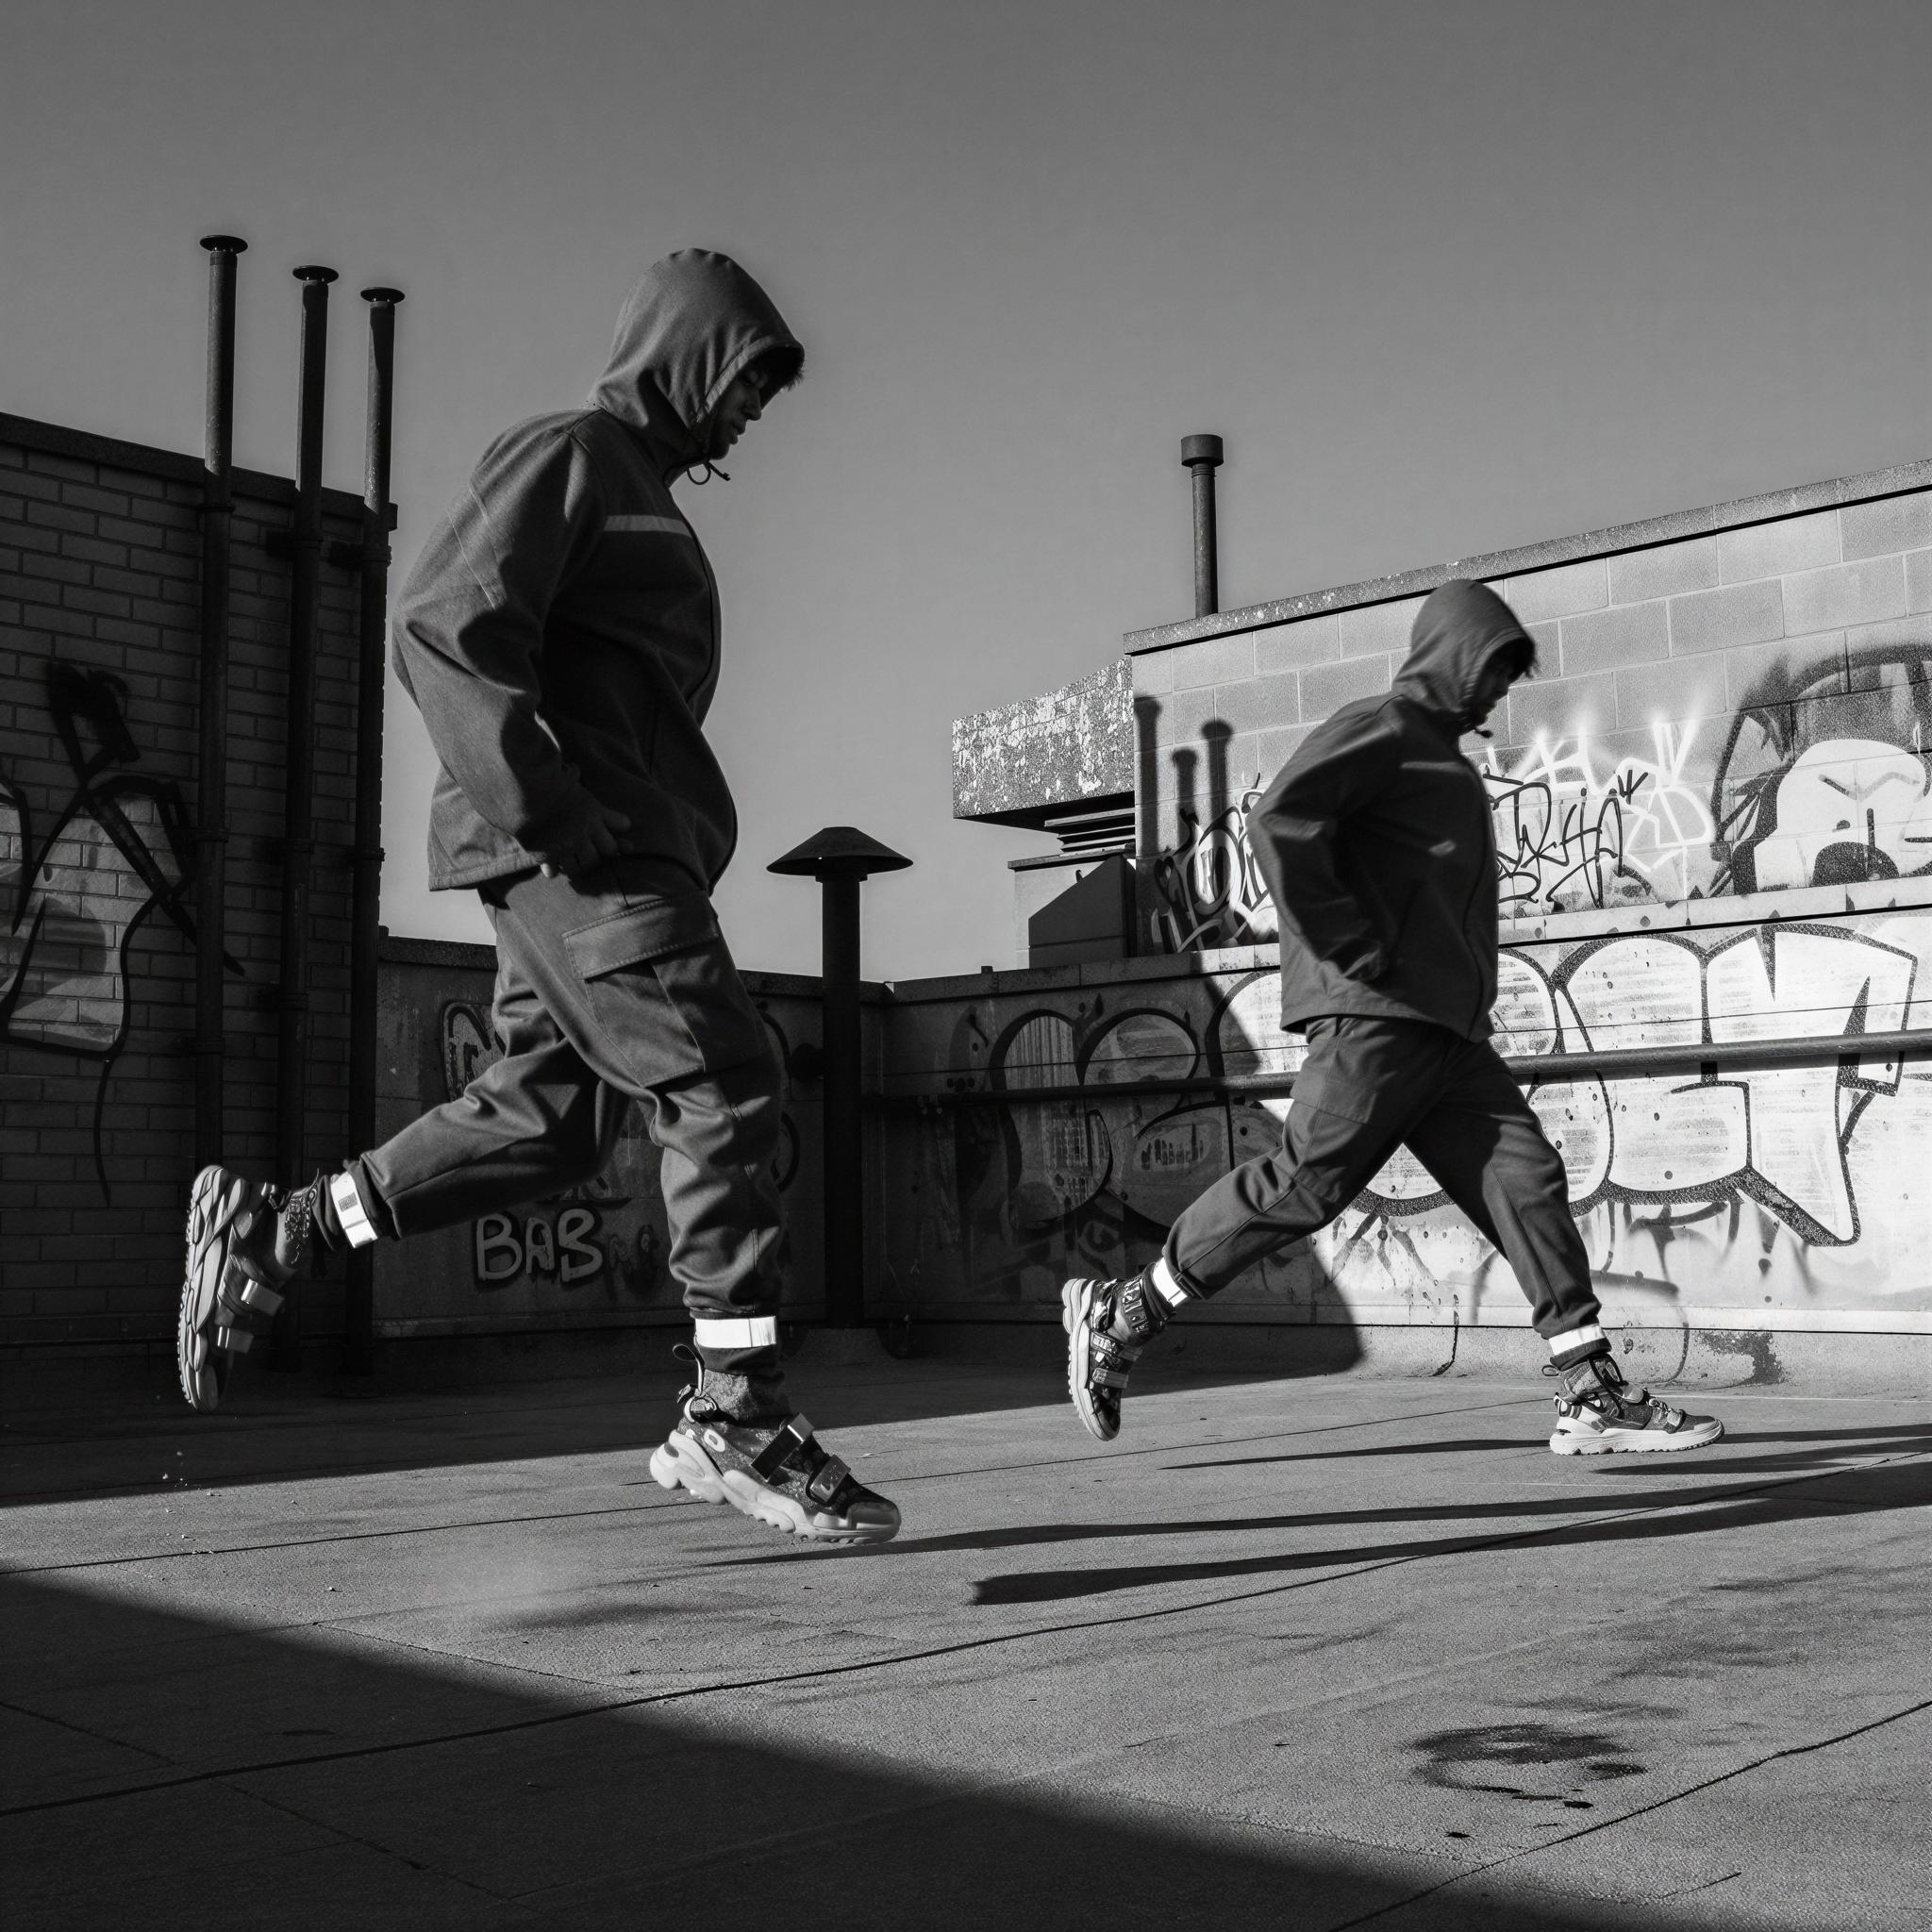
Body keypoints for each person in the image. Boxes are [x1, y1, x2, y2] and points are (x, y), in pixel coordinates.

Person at [178, 249, 899, 1545]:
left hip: (609, 850)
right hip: (586, 855)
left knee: (546, 1121)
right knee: (723, 1081)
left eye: (766, 392)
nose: (753, 409)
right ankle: (736, 1411)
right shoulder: (573, 454)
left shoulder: (644, 496)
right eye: (745, 379)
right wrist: (547, 804)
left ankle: (285, 1232)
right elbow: (438, 615)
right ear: (686, 356)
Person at [1063, 577, 1724, 1457]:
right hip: (1377, 1018)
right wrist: (1350, 945)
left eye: (1509, 674)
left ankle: (1590, 1389)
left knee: (1526, 1180)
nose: (1499, 690)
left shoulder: (1445, 760)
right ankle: (1124, 1312)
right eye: (1493, 669)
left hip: (1449, 1038)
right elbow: (1280, 820)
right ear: (1455, 656)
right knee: (1306, 1185)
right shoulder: (1385, 728)